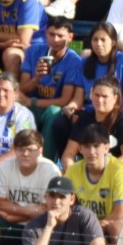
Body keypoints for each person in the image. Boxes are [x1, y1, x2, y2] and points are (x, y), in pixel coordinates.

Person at [21, 18, 83, 158]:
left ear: (70, 37)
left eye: (60, 36)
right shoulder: (33, 51)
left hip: (50, 108)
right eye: (51, 34)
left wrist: (32, 102)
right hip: (31, 106)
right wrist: (36, 78)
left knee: (54, 112)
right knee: (19, 110)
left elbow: (64, 100)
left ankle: (46, 161)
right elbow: (23, 89)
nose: (55, 39)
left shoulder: (74, 61)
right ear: (45, 33)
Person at [63, 124, 123, 245]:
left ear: (106, 148)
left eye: (96, 146)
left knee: (117, 227)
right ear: (80, 149)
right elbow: (64, 205)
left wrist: (94, 226)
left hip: (108, 224)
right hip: (82, 225)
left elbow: (120, 213)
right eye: (87, 146)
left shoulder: (119, 170)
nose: (91, 152)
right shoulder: (72, 170)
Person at [0, 129, 59, 245]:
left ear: (40, 151)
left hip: (39, 225)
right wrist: (29, 211)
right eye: (21, 149)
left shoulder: (51, 170)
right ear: (14, 150)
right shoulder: (5, 165)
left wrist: (11, 216)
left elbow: (46, 210)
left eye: (30, 150)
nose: (25, 154)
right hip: (7, 223)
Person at [59, 77, 123, 168]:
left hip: (116, 172)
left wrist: (102, 171)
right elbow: (68, 155)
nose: (100, 100)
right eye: (97, 95)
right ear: (91, 95)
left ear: (115, 98)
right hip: (86, 173)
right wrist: (74, 172)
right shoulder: (84, 119)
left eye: (105, 96)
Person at [76, 22, 123, 121]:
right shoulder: (84, 63)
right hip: (91, 113)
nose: (99, 44)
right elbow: (78, 98)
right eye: (95, 40)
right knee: (62, 122)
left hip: (116, 115)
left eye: (103, 40)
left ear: (113, 43)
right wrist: (69, 109)